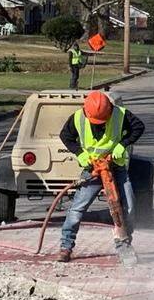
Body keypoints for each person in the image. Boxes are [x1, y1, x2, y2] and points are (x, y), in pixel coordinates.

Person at [56, 90, 145, 262]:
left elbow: (139, 127)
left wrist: (122, 145)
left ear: (110, 111)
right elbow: (65, 136)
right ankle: (66, 247)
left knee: (129, 207)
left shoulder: (120, 115)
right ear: (87, 112)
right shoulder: (78, 118)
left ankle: (125, 243)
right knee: (77, 210)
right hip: (93, 169)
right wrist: (80, 154)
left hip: (116, 168)